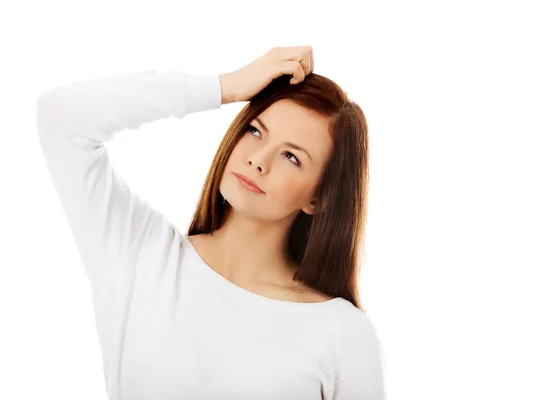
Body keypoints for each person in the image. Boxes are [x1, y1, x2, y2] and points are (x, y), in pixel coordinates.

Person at [36, 45, 386, 399]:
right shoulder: (141, 254)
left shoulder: (342, 335)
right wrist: (227, 87)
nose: (258, 160)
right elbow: (61, 117)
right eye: (255, 131)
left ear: (319, 198)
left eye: (291, 157)